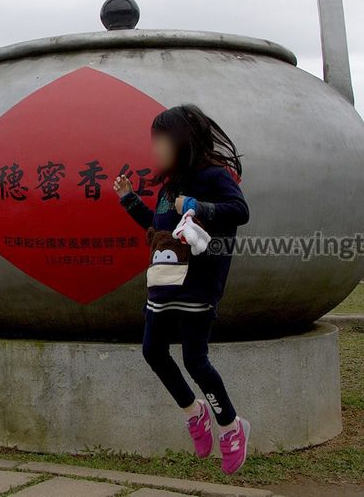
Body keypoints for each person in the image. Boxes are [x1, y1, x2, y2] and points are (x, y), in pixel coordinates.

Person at [112, 104, 251, 475]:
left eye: (161, 140)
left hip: (198, 286)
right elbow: (159, 225)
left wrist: (196, 205)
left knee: (195, 360)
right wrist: (128, 200)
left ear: (182, 140)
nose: (155, 148)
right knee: (153, 350)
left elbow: (239, 210)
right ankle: (195, 413)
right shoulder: (168, 185)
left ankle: (231, 427)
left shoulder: (213, 176)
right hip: (163, 283)